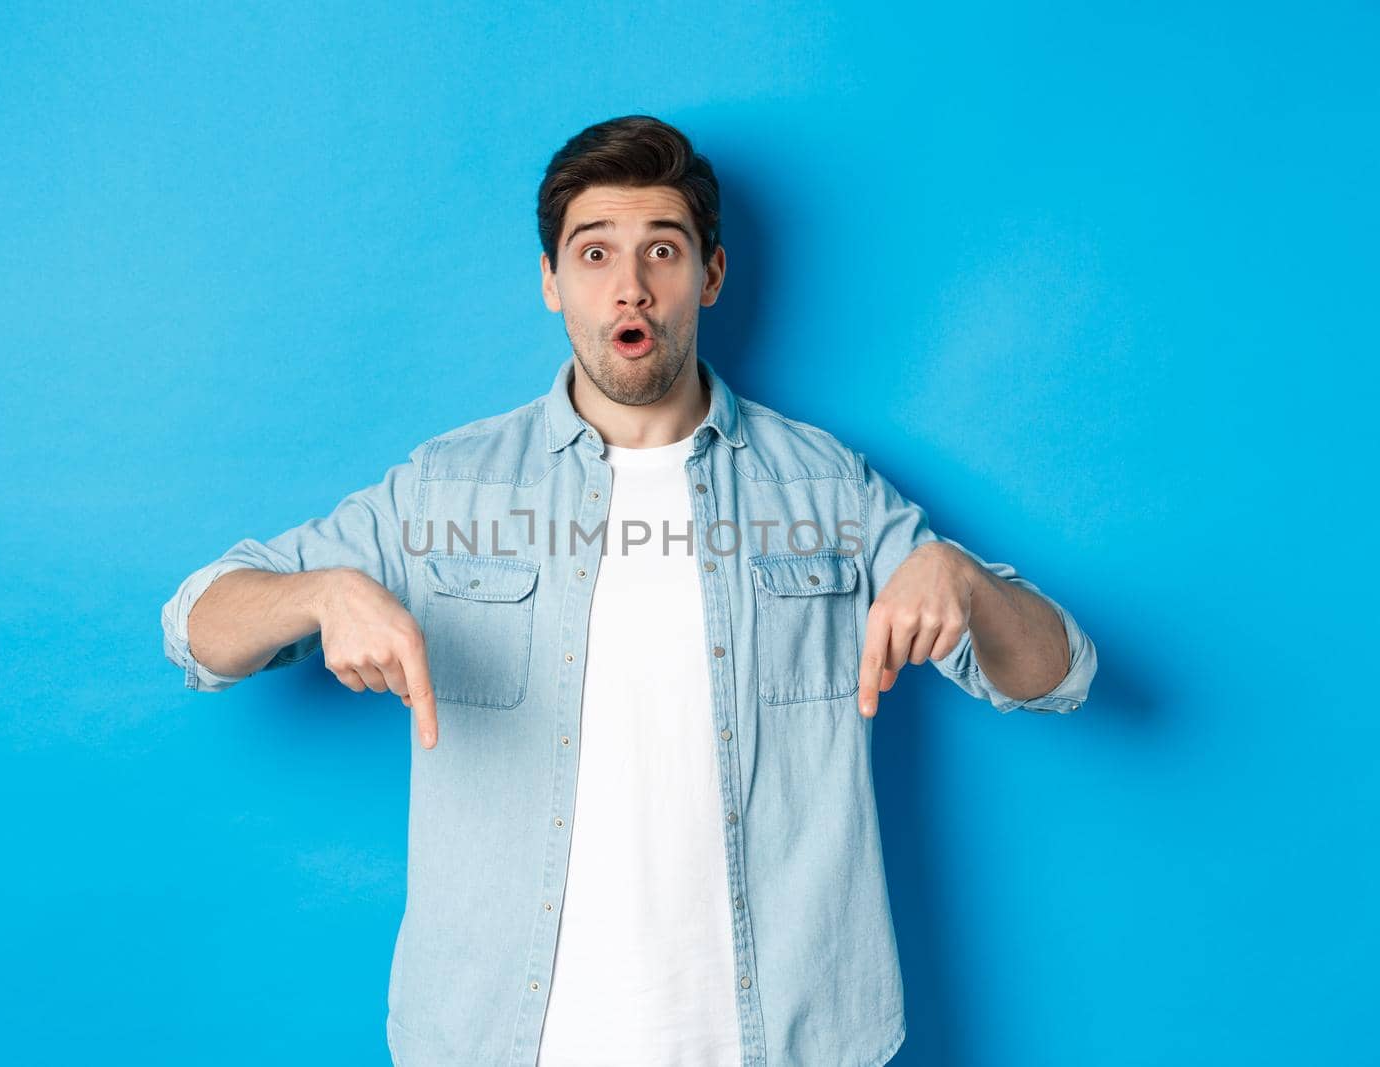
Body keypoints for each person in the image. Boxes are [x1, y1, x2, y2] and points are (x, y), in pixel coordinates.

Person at [160, 114, 1097, 1067]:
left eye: (663, 249)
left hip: (788, 1039)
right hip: (501, 1041)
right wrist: (321, 593)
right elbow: (196, 627)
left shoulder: (828, 488)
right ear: (551, 282)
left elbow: (1060, 675)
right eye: (594, 251)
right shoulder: (448, 489)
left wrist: (964, 579)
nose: (631, 283)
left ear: (711, 275)